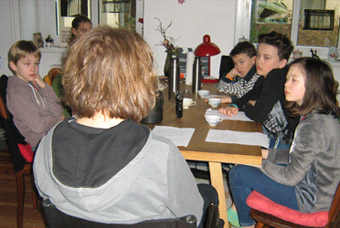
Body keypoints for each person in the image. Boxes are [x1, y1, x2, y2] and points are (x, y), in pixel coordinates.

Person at [33, 26, 219, 227]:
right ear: (139, 83)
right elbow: (193, 214)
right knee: (209, 195)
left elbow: (46, 194)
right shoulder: (160, 153)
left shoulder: (47, 144)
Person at [228, 57, 340, 228]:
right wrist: (263, 154)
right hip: (317, 192)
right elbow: (297, 156)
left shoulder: (311, 126)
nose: (286, 84)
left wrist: (256, 162)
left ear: (313, 85)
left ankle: (246, 224)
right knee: (250, 167)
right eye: (287, 78)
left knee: (239, 174)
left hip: (308, 200)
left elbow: (290, 177)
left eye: (294, 80)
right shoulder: (321, 116)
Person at [219, 31, 299, 149]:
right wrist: (234, 105)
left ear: (282, 63)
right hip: (273, 138)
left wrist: (247, 106)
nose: (259, 61)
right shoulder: (264, 76)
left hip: (285, 146)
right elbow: (251, 95)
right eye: (259, 56)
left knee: (233, 147)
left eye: (267, 58)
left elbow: (258, 114)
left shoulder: (276, 76)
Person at [6, 40, 63, 150]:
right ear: (13, 66)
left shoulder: (32, 85)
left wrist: (44, 87)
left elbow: (58, 109)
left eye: (36, 63)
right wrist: (57, 119)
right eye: (27, 64)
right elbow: (38, 126)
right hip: (40, 143)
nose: (33, 68)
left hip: (51, 134)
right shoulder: (17, 93)